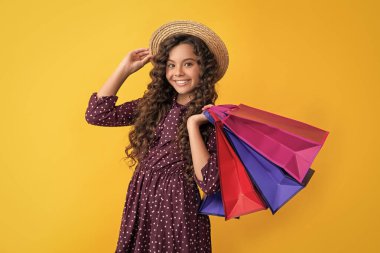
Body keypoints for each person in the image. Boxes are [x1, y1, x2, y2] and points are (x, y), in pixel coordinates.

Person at [85, 20, 229, 253]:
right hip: (143, 198)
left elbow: (209, 183)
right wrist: (124, 69)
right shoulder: (155, 105)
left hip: (178, 206)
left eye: (188, 64)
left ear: (204, 68)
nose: (178, 73)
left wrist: (193, 125)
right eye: (171, 65)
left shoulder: (210, 118)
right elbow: (96, 114)